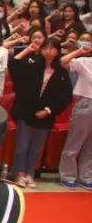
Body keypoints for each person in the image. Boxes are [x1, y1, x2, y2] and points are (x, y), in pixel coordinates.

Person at [7, 37, 72, 188]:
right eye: (46, 48)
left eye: (53, 48)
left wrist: (48, 110)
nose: (49, 51)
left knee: (36, 148)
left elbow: (66, 96)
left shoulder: (62, 72)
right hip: (26, 111)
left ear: (58, 51)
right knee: (22, 146)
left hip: (46, 115)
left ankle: (29, 173)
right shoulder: (32, 64)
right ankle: (19, 173)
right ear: (41, 49)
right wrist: (28, 50)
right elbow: (14, 65)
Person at [59, 43, 92, 189]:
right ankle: (68, 175)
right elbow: (62, 62)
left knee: (90, 147)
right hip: (86, 103)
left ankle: (86, 176)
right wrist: (79, 51)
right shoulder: (85, 62)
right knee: (74, 143)